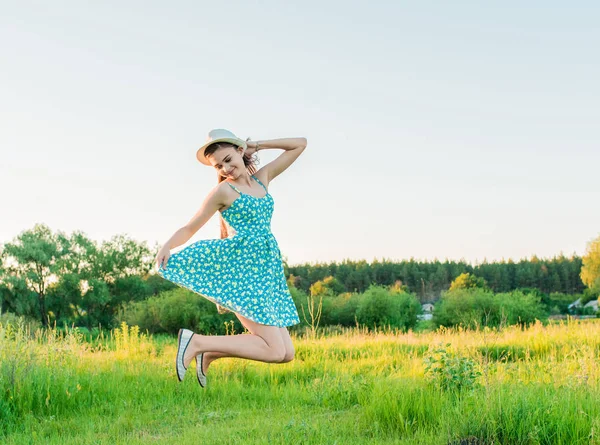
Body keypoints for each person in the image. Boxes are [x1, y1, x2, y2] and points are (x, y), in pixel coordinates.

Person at [154, 128, 307, 387]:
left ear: (239, 151)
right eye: (218, 165)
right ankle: (197, 342)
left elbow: (300, 144)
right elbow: (190, 227)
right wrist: (166, 246)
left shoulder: (262, 180)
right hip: (242, 272)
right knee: (272, 350)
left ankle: (209, 352)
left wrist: (256, 145)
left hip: (267, 272)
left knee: (286, 354)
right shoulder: (223, 192)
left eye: (228, 159)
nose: (225, 168)